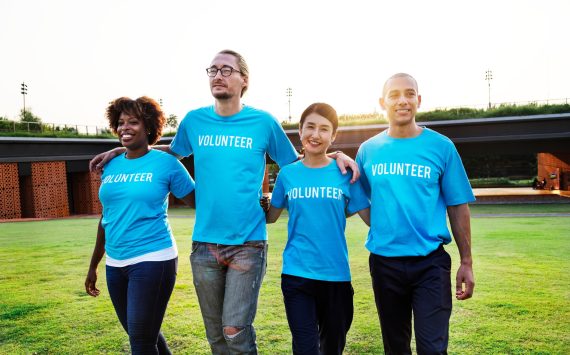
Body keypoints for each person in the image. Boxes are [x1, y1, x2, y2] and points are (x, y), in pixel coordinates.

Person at [89, 50, 359, 354]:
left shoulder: (263, 122)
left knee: (235, 330)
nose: (218, 75)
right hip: (204, 245)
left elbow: (300, 162)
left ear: (244, 80)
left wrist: (336, 155)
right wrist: (119, 153)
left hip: (248, 244)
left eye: (227, 70)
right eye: (213, 70)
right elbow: (163, 155)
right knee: (216, 335)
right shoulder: (194, 121)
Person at [355, 73, 475, 354]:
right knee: (395, 347)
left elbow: (458, 205)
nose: (402, 100)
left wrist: (467, 261)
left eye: (409, 94)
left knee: (432, 348)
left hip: (430, 265)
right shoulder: (368, 150)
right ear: (382, 102)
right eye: (394, 95)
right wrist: (333, 157)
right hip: (385, 264)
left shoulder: (441, 147)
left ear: (418, 101)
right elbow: (357, 198)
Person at [85, 96, 195, 354]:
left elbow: (198, 200)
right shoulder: (110, 164)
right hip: (115, 263)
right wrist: (93, 265)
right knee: (146, 336)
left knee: (141, 341)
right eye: (121, 122)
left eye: (133, 122)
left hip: (153, 259)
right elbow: (107, 217)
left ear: (148, 126)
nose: (125, 127)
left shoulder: (167, 164)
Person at [264, 103, 370, 355]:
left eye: (324, 129)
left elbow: (371, 219)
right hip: (297, 275)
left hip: (336, 277)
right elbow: (270, 217)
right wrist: (256, 198)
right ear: (300, 131)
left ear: (333, 136)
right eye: (310, 127)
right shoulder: (287, 175)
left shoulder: (346, 173)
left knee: (332, 348)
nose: (315, 134)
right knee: (305, 348)